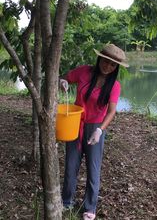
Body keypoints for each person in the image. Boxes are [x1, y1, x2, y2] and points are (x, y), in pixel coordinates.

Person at [60, 43, 129, 220]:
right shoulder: (84, 71)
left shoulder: (114, 86)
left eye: (113, 65)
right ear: (100, 59)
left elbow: (112, 111)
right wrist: (63, 81)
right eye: (106, 61)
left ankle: (89, 207)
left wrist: (100, 130)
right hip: (75, 123)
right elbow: (65, 77)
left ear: (116, 68)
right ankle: (67, 202)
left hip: (96, 127)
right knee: (71, 165)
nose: (108, 66)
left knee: (93, 168)